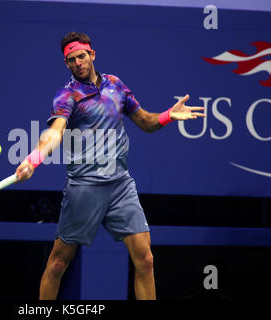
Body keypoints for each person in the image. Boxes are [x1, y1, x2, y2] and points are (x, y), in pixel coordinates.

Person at [15, 31, 205, 300]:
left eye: (81, 56)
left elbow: (144, 121)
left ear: (92, 55)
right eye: (71, 60)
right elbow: (55, 132)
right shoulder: (66, 96)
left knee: (146, 260)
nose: (78, 63)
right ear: (67, 64)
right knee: (57, 263)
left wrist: (167, 116)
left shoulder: (116, 85)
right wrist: (33, 159)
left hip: (120, 186)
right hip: (84, 188)